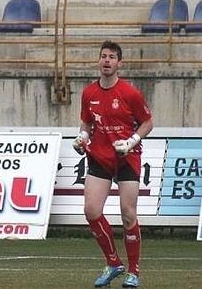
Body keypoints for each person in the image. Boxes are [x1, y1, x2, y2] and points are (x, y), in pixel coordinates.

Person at [72, 40, 153, 288]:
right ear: (99, 61)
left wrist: (131, 141)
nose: (107, 61)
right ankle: (113, 263)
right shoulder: (89, 93)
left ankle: (134, 272)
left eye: (112, 57)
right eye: (103, 56)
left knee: (128, 215)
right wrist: (82, 137)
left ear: (119, 63)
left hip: (127, 157)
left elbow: (148, 122)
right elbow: (87, 123)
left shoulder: (130, 93)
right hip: (99, 156)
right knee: (91, 211)